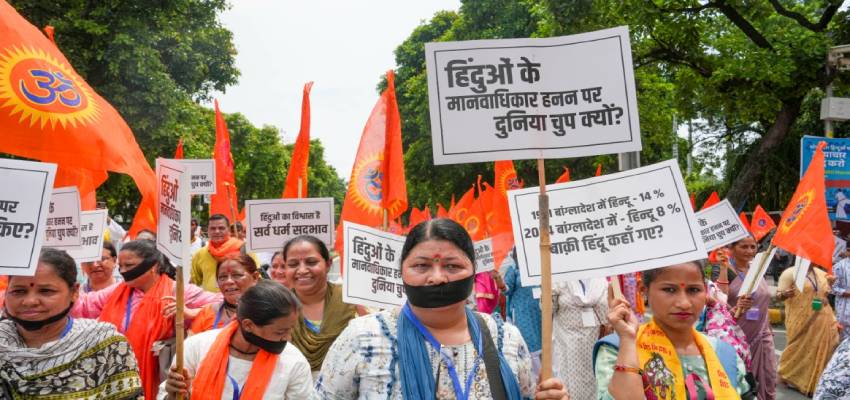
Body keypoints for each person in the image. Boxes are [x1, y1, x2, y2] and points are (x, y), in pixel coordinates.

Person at [316, 218, 569, 399]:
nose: (437, 278)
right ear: (401, 271)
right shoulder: (364, 338)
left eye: (452, 266)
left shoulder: (506, 339)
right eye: (422, 266)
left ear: (473, 271)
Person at [71, 239, 220, 398]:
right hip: (117, 374)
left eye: (129, 265)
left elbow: (223, 304)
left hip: (159, 378)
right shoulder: (118, 290)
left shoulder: (177, 290)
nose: (122, 271)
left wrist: (191, 313)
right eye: (120, 266)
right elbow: (84, 306)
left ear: (153, 266)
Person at [595, 260, 751, 399]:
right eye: (669, 290)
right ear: (643, 290)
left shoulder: (723, 352)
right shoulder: (617, 349)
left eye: (693, 290)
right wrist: (628, 340)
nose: (684, 303)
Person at [0, 248, 143, 398]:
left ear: (74, 292)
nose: (30, 301)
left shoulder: (105, 344)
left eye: (46, 291)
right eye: (18, 291)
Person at [160, 280, 315, 399]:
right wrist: (174, 396)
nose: (288, 338)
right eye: (280, 331)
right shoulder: (196, 347)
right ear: (248, 325)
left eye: (290, 329)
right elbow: (166, 395)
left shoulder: (293, 362)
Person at [283, 235, 360, 376]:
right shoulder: (278, 306)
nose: (302, 270)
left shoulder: (351, 300)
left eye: (311, 262)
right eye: (293, 264)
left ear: (328, 264)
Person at [717, 237, 777, 400]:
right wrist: (737, 307)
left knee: (769, 376)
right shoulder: (725, 269)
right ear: (732, 248)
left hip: (762, 335)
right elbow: (718, 304)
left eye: (753, 247)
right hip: (736, 335)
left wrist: (769, 327)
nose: (749, 251)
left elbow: (762, 301)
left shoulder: (757, 269)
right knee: (740, 381)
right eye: (744, 247)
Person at [777, 263, 840, 396]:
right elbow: (779, 295)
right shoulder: (790, 273)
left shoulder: (822, 274)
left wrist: (830, 284)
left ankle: (816, 382)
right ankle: (791, 377)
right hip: (799, 320)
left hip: (823, 318)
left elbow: (824, 293)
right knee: (797, 348)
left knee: (826, 349)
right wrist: (784, 294)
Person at [552, 276, 608, 400]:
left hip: (595, 345)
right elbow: (546, 310)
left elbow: (608, 312)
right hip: (569, 349)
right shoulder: (558, 280)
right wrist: (548, 291)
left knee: (598, 383)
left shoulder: (601, 279)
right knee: (571, 390)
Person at [189, 253, 261, 334]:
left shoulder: (268, 313)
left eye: (236, 275)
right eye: (222, 277)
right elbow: (192, 345)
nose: (228, 281)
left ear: (255, 277)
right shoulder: (207, 313)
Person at [503, 250, 542, 379]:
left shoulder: (539, 267)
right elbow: (506, 290)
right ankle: (533, 381)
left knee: (544, 344)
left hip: (540, 313)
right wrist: (498, 280)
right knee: (529, 346)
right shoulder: (513, 269)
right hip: (523, 315)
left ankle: (547, 377)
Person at [192, 214, 251, 292]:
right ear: (208, 231)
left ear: (229, 230)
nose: (217, 231)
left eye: (221, 228)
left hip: (240, 301)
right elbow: (194, 283)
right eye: (213, 228)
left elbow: (256, 278)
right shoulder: (200, 254)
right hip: (211, 303)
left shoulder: (243, 249)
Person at [831, 256, 850, 340]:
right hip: (844, 307)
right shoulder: (839, 266)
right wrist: (846, 293)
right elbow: (832, 288)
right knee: (843, 337)